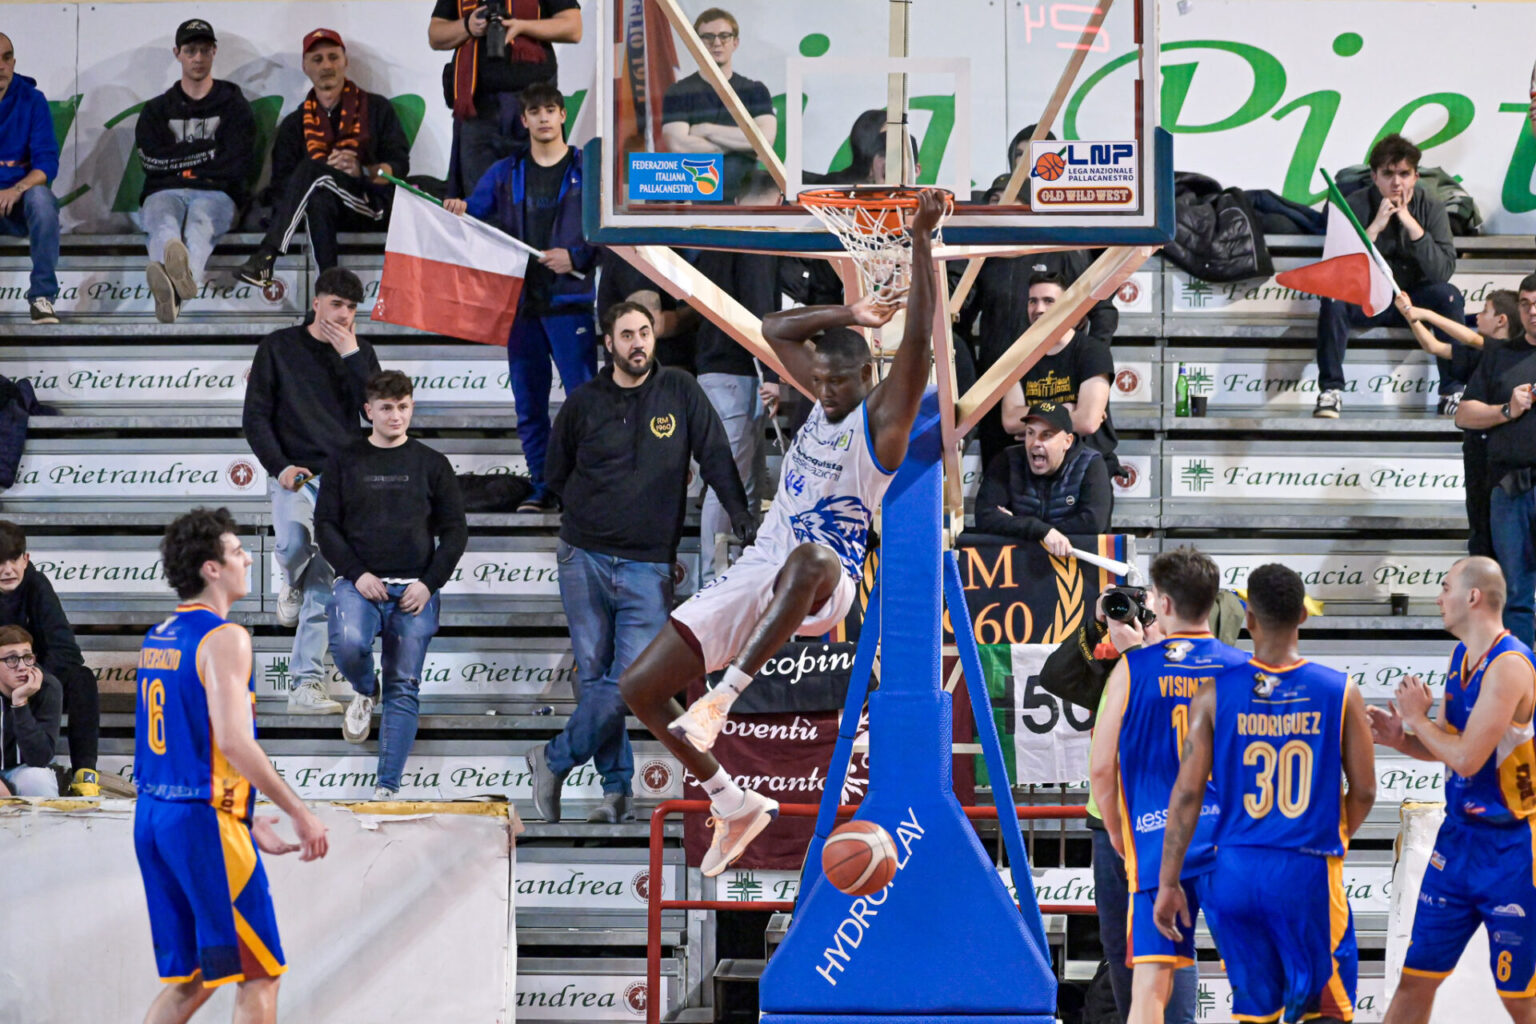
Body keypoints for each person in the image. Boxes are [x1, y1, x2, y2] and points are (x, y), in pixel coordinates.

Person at [619, 189, 945, 876]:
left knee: (808, 556)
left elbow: (917, 340)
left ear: (868, 375)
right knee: (640, 688)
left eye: (837, 383)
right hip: (760, 571)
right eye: (816, 382)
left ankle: (723, 698)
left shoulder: (881, 423)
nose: (822, 393)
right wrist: (852, 312)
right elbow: (775, 328)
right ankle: (732, 800)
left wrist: (920, 242)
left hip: (827, 579)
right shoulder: (823, 394)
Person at [526, 302, 751, 824]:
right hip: (583, 556)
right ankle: (616, 791)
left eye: (645, 332)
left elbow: (716, 453)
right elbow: (556, 474)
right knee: (594, 677)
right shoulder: (583, 402)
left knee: (628, 681)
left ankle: (553, 758)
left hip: (648, 564)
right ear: (609, 343)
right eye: (626, 334)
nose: (637, 343)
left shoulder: (680, 389)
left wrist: (739, 513)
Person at [1154, 563, 1376, 1024]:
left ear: (1249, 619)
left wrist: (1170, 882)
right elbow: (1366, 790)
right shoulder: (1340, 691)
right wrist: (1332, 837)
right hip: (1306, 871)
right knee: (1326, 1013)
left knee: (1257, 1015)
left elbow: (1187, 795)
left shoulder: (1212, 694)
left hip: (1236, 872)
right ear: (1303, 616)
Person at [133, 508, 328, 1024]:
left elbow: (186, 744)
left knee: (196, 976)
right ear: (211, 569)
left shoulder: (160, 635)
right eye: (238, 551)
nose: (248, 559)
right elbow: (234, 742)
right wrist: (299, 812)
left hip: (155, 817)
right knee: (260, 973)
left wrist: (244, 812)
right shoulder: (225, 638)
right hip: (201, 822)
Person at [1037, 584, 1245, 1021]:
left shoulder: (1207, 673)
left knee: (1167, 942)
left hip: (1165, 824)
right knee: (1121, 948)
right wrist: (1097, 623)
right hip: (1110, 824)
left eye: (1160, 608)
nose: (1151, 617)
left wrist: (1141, 654)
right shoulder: (1128, 666)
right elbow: (1056, 677)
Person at [1368, 557, 1536, 1024]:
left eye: (1445, 587)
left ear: (1473, 597)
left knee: (1519, 999)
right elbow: (1446, 745)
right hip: (1457, 841)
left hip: (1511, 849)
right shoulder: (1460, 656)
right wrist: (1402, 738)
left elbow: (1468, 758)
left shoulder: (1510, 666)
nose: (1439, 598)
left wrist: (1416, 719)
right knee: (1415, 979)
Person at [1088, 547, 1248, 1024]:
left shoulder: (1134, 667)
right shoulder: (1244, 669)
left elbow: (1102, 768)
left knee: (1151, 982)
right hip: (1227, 839)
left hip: (1156, 838)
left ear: (1164, 603)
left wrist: (1117, 832)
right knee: (1254, 975)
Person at [444, 82, 597, 513]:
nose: (544, 117)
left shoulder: (589, 169)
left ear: (563, 115)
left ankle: (585, 488)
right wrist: (457, 210)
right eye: (535, 111)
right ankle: (543, 487)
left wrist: (577, 257)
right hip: (522, 308)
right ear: (525, 119)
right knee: (530, 407)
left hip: (570, 305)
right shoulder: (505, 171)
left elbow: (609, 230)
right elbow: (472, 217)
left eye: (551, 109)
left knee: (584, 404)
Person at [316, 371, 467, 799]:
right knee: (349, 645)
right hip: (358, 583)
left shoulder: (432, 463)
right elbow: (325, 525)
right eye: (386, 408)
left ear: (411, 407)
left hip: (415, 590)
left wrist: (429, 583)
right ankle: (366, 690)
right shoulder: (344, 460)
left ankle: (387, 790)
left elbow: (455, 531)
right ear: (369, 411)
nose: (395, 415)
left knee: (404, 686)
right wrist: (357, 572)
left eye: (402, 407)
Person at [242, 267, 380, 714]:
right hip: (294, 472)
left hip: (342, 479)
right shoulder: (278, 347)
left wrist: (351, 355)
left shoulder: (359, 352)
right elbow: (255, 417)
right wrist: (280, 467)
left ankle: (306, 684)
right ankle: (289, 583)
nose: (343, 315)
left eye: (351, 308)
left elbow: (377, 412)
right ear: (316, 303)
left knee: (325, 582)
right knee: (292, 544)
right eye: (336, 304)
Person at [234, 29, 409, 285]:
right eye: (317, 59)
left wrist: (360, 171)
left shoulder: (377, 108)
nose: (326, 66)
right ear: (305, 67)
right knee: (318, 197)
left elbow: (399, 167)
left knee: (313, 170)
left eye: (333, 57)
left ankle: (267, 254)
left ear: (345, 61)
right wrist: (326, 176)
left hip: (369, 205)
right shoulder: (294, 124)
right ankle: (328, 291)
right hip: (319, 211)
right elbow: (282, 185)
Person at [1314, 133, 1462, 419]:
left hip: (1414, 301)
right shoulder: (1353, 204)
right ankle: (1331, 390)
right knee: (1332, 297)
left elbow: (1442, 271)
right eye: (1388, 174)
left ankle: (1451, 392)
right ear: (1374, 177)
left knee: (1449, 296)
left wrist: (1410, 223)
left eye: (1404, 174)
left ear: (1416, 176)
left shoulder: (1431, 205)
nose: (1397, 182)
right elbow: (1338, 271)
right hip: (1370, 299)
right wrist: (1375, 227)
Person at [137, 19, 255, 323]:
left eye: (204, 50)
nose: (198, 58)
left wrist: (179, 163)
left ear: (214, 51)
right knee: (163, 224)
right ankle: (180, 284)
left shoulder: (234, 105)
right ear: (177, 53)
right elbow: (151, 161)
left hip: (217, 193)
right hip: (164, 192)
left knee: (200, 225)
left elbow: (236, 162)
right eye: (190, 51)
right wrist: (208, 155)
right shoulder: (156, 110)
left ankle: (171, 289)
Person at [1399, 289, 1523, 559]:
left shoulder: (1510, 352)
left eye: (1485, 311)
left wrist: (1428, 313)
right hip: (1476, 451)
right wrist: (1411, 317)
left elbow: (1469, 336)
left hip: (1502, 455)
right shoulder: (1480, 355)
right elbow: (1434, 347)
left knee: (1503, 533)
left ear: (1501, 320)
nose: (1477, 316)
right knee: (1479, 526)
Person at [427, 0, 581, 199]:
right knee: (479, 200)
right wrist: (467, 26)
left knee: (540, 196)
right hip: (478, 110)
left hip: (533, 108)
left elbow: (573, 27)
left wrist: (522, 26)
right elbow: (436, 34)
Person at [1454, 275, 1536, 647]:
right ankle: (1523, 677)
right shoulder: (1500, 355)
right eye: (1525, 303)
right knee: (1514, 596)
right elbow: (1463, 415)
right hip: (1510, 488)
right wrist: (1507, 409)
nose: (1532, 311)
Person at [0, 521, 100, 796]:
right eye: (0, 562)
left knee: (82, 678)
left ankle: (85, 774)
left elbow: (67, 651)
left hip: (35, 679)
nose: (7, 570)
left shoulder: (37, 585)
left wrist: (31, 678)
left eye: (13, 559)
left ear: (26, 559)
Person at [996, 272, 1119, 476]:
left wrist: (1032, 424)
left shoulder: (1092, 352)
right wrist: (1066, 409)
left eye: (1049, 301)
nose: (1039, 309)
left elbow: (1088, 422)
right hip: (1036, 469)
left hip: (1087, 467)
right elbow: (1010, 420)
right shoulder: (1017, 356)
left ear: (1068, 305)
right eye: (1033, 301)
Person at [660, 8, 776, 202]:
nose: (716, 43)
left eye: (724, 36)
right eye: (708, 37)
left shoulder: (755, 90)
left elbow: (764, 140)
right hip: (696, 196)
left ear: (735, 42)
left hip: (745, 200)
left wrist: (705, 130)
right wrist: (742, 147)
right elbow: (678, 145)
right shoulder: (678, 91)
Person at [973, 400, 1112, 554]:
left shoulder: (1090, 463)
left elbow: (1093, 522)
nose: (1036, 443)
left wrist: (1018, 524)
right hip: (1019, 562)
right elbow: (985, 516)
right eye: (1030, 433)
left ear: (1067, 441)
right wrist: (1041, 531)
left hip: (1074, 562)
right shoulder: (1007, 460)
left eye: (1047, 435)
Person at [0, 33, 61, 323]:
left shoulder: (33, 100)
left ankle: (42, 297)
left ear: (14, 62)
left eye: (6, 57)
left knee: (42, 198)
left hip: (20, 203)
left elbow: (46, 164)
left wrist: (16, 189)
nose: (1, 66)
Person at [0, 625, 61, 798]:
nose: (22, 667)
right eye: (11, 659)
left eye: (27, 657)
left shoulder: (47, 687)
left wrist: (20, 703)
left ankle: (48, 818)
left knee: (36, 778)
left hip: (23, 769)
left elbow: (40, 758)